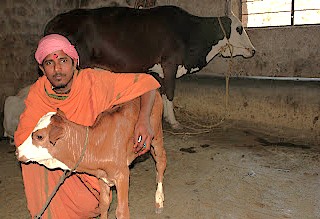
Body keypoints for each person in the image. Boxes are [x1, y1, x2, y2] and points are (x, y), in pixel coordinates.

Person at [14, 34, 161, 219]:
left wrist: (143, 120)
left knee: (89, 203)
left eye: (63, 60)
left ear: (75, 62)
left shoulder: (94, 82)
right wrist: (59, 152)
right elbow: (23, 138)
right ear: (42, 69)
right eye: (49, 63)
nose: (57, 69)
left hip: (93, 165)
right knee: (34, 156)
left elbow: (147, 84)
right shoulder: (38, 94)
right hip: (60, 164)